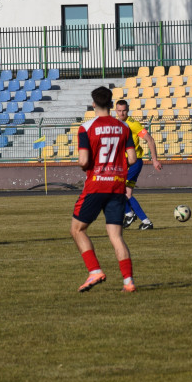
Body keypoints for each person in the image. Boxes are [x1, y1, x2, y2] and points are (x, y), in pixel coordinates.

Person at [71, 87, 138, 293]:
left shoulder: (86, 128)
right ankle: (128, 281)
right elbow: (133, 159)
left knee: (77, 229)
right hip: (117, 185)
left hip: (96, 185)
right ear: (111, 104)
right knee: (116, 236)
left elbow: (83, 161)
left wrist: (87, 165)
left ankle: (94, 270)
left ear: (93, 104)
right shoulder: (123, 127)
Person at [114, 100, 163, 230]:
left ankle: (129, 214)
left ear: (128, 110)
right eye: (119, 110)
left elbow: (150, 139)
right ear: (115, 111)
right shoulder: (116, 124)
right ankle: (146, 222)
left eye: (124, 110)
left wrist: (154, 160)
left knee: (116, 189)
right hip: (123, 163)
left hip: (134, 162)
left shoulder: (133, 124)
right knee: (127, 195)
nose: (121, 113)